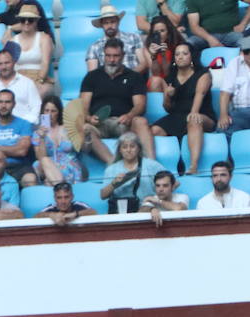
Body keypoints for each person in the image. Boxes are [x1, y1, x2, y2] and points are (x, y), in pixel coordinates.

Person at [79, 38, 156, 164]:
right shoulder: (91, 77)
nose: (111, 60)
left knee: (141, 121)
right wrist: (88, 118)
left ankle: (152, 165)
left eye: (116, 56)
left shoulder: (134, 77)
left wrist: (130, 115)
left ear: (123, 56)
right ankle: (113, 164)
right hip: (99, 124)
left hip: (123, 123)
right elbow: (83, 106)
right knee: (84, 128)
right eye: (108, 56)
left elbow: (140, 106)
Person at [152, 43, 214, 175]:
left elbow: (200, 94)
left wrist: (194, 112)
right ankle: (157, 168)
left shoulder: (203, 74)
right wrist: (168, 96)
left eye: (185, 53)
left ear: (192, 56)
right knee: (154, 130)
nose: (180, 57)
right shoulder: (170, 78)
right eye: (177, 54)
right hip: (177, 116)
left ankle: (193, 166)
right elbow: (167, 108)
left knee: (193, 120)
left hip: (202, 114)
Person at [0, 88, 35, 187]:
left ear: (14, 104)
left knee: (30, 179)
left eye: (7, 102)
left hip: (20, 167)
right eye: (0, 102)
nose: (3, 106)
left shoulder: (24, 124)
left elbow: (22, 151)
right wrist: (13, 149)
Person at [0, 45, 39, 126]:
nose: (3, 67)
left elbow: (36, 108)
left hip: (22, 129)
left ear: (14, 62)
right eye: (0, 64)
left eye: (7, 63)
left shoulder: (27, 83)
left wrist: (23, 125)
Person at [100, 132, 162, 212]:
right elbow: (103, 195)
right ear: (120, 150)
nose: (128, 150)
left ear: (138, 148)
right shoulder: (111, 169)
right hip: (121, 211)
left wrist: (157, 199)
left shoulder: (152, 165)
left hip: (148, 209)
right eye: (124, 147)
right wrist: (114, 183)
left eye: (132, 146)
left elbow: (174, 183)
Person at [31, 95, 80, 188]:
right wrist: (42, 138)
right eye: (46, 111)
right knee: (44, 160)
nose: (49, 114)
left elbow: (82, 148)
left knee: (48, 182)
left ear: (59, 112)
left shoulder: (69, 129)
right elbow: (40, 157)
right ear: (42, 112)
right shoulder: (38, 133)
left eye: (53, 111)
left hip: (68, 165)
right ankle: (62, 188)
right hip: (48, 167)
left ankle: (59, 189)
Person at [85, 5, 148, 75]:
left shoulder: (133, 38)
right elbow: (92, 75)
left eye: (112, 22)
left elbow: (144, 63)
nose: (109, 26)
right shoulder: (94, 47)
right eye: (106, 23)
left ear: (118, 22)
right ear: (101, 25)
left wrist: (128, 78)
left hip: (132, 81)